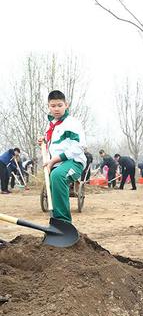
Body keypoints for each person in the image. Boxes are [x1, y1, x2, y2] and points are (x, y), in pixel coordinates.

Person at [38, 90, 86, 223]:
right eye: (53, 106)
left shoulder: (72, 123)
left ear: (66, 105)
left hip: (73, 162)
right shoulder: (51, 125)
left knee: (57, 176)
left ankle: (63, 223)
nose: (56, 109)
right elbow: (55, 145)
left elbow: (78, 147)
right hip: (57, 164)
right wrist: (44, 142)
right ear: (48, 106)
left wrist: (53, 160)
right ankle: (55, 222)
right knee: (53, 183)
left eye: (60, 105)